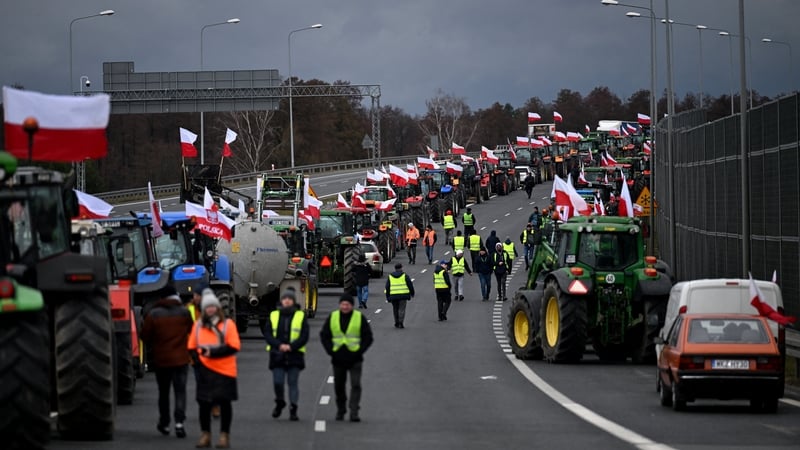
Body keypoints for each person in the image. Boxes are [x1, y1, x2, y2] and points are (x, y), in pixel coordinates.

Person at [188, 291, 241, 449]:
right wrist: (198, 362)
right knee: (204, 404)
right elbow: (191, 346)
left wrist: (212, 352)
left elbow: (234, 346)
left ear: (218, 308)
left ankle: (224, 435)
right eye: (207, 307)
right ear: (204, 309)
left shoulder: (228, 325)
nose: (210, 310)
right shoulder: (198, 326)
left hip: (225, 371)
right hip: (205, 370)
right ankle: (206, 435)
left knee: (225, 404)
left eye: (213, 307)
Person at [141, 285, 193, 439]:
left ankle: (164, 423)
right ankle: (179, 423)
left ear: (162, 298)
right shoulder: (184, 313)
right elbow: (192, 331)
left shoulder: (154, 314)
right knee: (180, 391)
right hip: (181, 359)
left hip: (162, 360)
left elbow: (145, 336)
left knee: (163, 393)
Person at [320, 293, 373, 422]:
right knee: (339, 386)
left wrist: (360, 351)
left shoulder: (359, 318)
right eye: (343, 304)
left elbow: (368, 337)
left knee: (355, 385)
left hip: (355, 358)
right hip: (338, 358)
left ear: (352, 306)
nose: (345, 307)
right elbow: (324, 335)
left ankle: (354, 411)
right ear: (339, 305)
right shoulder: (333, 317)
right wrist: (331, 351)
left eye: (347, 304)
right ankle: (341, 409)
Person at [264, 289, 309, 422]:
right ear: (281, 301)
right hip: (277, 354)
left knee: (292, 382)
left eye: (289, 299)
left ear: (293, 301)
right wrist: (279, 346)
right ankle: (280, 401)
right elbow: (268, 334)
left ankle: (293, 409)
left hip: (295, 354)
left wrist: (291, 346)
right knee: (278, 382)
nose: (287, 301)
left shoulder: (300, 316)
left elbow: (304, 335)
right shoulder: (273, 315)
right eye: (285, 299)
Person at [385, 262, 415, 328]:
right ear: (401, 268)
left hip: (393, 295)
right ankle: (401, 322)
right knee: (402, 309)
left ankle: (396, 322)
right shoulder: (405, 276)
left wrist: (388, 297)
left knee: (395, 309)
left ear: (395, 268)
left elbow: (387, 287)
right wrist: (412, 293)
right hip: (403, 295)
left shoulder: (390, 276)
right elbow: (410, 285)